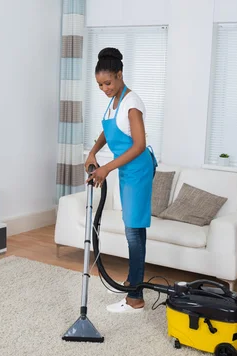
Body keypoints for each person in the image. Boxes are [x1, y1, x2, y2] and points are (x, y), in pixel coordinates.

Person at [85, 47, 157, 314]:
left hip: (137, 170)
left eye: (108, 82)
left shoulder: (131, 102)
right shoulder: (114, 101)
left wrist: (107, 169)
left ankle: (135, 297)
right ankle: (133, 284)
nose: (104, 88)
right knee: (134, 230)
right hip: (127, 170)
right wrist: (93, 151)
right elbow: (107, 129)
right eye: (100, 85)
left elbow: (139, 145)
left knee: (134, 232)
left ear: (120, 74)